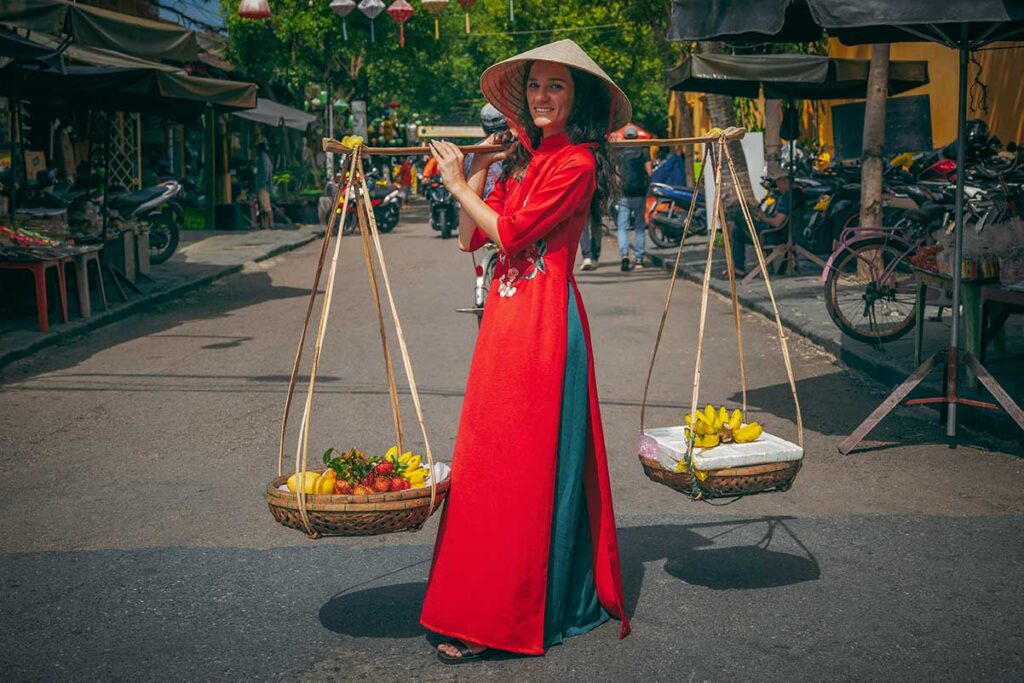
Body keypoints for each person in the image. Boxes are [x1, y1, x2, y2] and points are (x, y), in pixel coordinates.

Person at [422, 39, 631, 663]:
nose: (542, 97)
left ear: (577, 98)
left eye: (556, 88)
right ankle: (477, 602)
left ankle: (507, 614)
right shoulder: (524, 163)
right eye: (535, 86)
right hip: (505, 322)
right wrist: (479, 167)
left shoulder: (577, 165)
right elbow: (470, 239)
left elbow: (511, 233)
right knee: (486, 465)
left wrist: (458, 183)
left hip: (544, 325)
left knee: (524, 470)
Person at [727, 168, 791, 278]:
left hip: (772, 235)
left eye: (778, 182)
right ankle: (739, 268)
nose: (777, 186)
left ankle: (739, 267)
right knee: (737, 233)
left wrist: (763, 218)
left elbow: (777, 222)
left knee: (738, 216)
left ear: (784, 181)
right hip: (771, 232)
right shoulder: (786, 197)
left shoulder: (787, 198)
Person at [613, 125, 652, 271]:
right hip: (639, 193)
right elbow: (649, 172)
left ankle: (624, 256)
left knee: (622, 227)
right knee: (639, 227)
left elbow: (617, 176)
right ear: (636, 136)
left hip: (624, 193)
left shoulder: (620, 152)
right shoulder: (643, 151)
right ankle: (639, 259)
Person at [254, 141, 274, 229]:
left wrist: (262, 183)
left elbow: (265, 174)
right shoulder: (265, 159)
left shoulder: (263, 160)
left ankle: (270, 224)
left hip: (263, 187)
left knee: (266, 207)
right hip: (265, 186)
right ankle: (265, 224)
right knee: (263, 206)